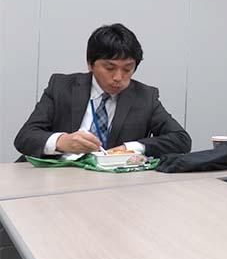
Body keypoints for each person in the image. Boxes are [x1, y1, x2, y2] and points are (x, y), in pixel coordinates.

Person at [15, 23, 191, 160]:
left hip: (111, 182)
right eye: (109, 68)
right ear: (90, 64)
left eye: (127, 69)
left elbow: (181, 139)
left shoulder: (145, 97)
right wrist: (62, 142)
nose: (118, 77)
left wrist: (132, 148)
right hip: (57, 174)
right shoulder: (61, 86)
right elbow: (25, 137)